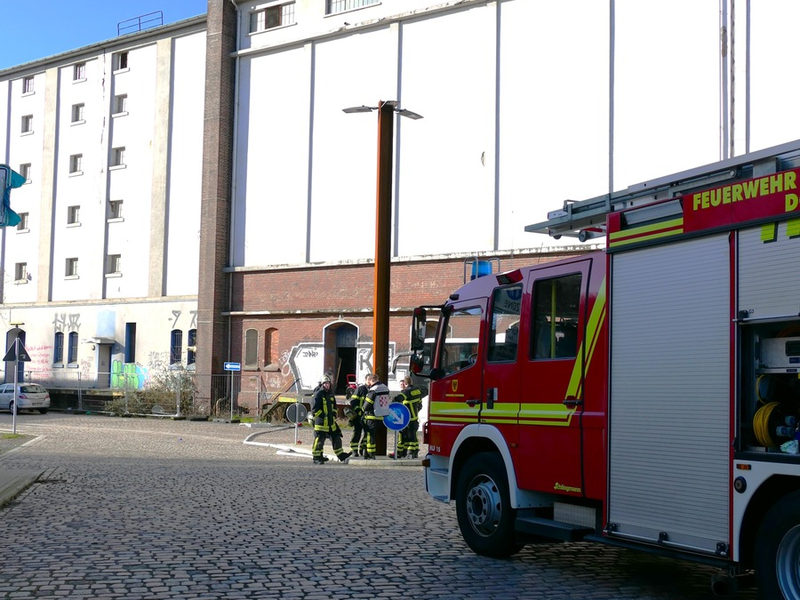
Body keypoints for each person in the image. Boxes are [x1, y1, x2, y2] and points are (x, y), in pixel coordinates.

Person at [311, 375, 351, 464]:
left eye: (328, 383)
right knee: (319, 440)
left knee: (336, 437)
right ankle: (317, 457)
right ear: (322, 384)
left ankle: (341, 455)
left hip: (331, 423)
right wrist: (323, 416)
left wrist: (333, 415)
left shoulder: (330, 394)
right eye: (325, 383)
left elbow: (334, 407)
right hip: (321, 423)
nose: (327, 385)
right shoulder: (318, 394)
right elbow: (314, 409)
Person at [394, 375, 423, 459]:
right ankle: (414, 452)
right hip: (415, 416)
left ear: (405, 383)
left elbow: (398, 399)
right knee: (413, 435)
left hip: (407, 418)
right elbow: (420, 405)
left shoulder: (406, 392)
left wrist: (392, 401)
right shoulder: (417, 391)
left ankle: (408, 452)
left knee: (408, 435)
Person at [362, 373, 389, 460]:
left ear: (371, 380)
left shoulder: (373, 390)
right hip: (382, 416)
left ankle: (371, 454)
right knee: (376, 436)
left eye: (368, 381)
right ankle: (369, 453)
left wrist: (362, 409)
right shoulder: (385, 387)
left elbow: (366, 405)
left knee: (370, 437)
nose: (368, 384)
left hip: (372, 416)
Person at [346, 378, 369, 457]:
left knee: (367, 434)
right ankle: (354, 450)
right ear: (365, 380)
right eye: (368, 380)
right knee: (357, 433)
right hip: (358, 416)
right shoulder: (360, 389)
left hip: (367, 416)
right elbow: (353, 401)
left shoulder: (371, 390)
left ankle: (363, 448)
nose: (369, 382)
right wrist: (358, 410)